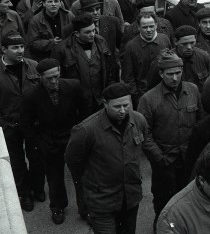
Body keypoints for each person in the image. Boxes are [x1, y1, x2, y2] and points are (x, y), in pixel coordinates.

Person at [65, 83, 150, 234]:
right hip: (102, 200)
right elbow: (73, 160)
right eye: (117, 107)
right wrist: (90, 182)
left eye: (126, 105)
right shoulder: (86, 129)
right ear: (105, 104)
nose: (122, 110)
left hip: (130, 197)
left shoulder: (139, 120)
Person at [138, 49, 205, 225]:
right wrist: (160, 158)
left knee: (190, 198)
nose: (175, 78)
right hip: (164, 160)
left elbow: (200, 123)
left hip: (189, 158)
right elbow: (144, 134)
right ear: (161, 74)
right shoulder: (148, 99)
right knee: (163, 200)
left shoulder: (193, 90)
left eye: (178, 73)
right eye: (170, 74)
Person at [21, 58, 88, 224]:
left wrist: (80, 133)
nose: (53, 81)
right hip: (49, 142)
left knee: (82, 176)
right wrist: (39, 143)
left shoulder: (73, 86)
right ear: (40, 77)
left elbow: (85, 110)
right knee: (54, 178)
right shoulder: (31, 95)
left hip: (73, 138)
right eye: (49, 78)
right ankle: (57, 207)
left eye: (56, 76)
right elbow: (26, 123)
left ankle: (86, 209)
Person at [0, 32, 46, 211]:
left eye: (21, 46)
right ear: (4, 49)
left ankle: (38, 188)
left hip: (33, 123)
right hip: (9, 124)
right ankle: (24, 193)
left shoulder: (33, 66)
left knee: (37, 157)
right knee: (16, 160)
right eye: (15, 48)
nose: (20, 51)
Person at [51, 13, 119, 114]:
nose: (92, 34)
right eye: (88, 32)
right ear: (77, 33)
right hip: (78, 103)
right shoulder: (62, 50)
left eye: (93, 30)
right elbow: (59, 80)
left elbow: (110, 69)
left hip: (100, 99)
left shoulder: (101, 42)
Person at [121, 13, 172, 108]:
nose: (148, 30)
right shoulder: (131, 47)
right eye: (145, 27)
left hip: (166, 92)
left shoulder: (164, 40)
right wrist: (137, 98)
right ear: (138, 28)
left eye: (151, 26)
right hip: (142, 94)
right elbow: (128, 77)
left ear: (156, 25)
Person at [146, 25, 210, 92]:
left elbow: (208, 84)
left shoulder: (203, 57)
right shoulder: (164, 60)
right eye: (184, 44)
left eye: (192, 43)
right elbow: (151, 89)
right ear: (175, 42)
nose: (189, 47)